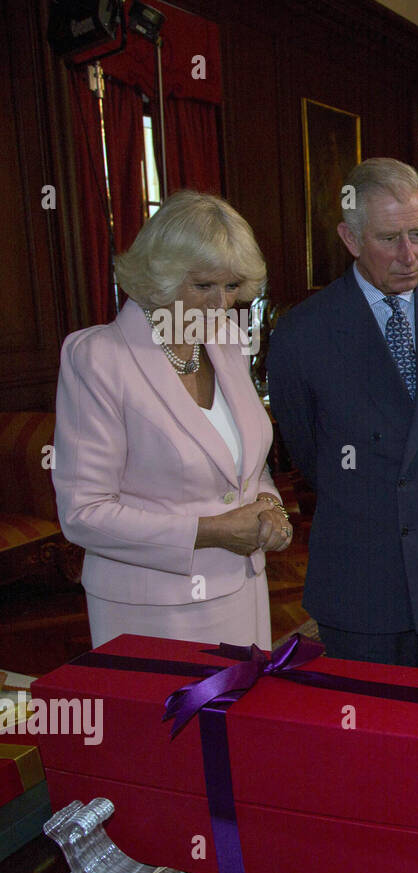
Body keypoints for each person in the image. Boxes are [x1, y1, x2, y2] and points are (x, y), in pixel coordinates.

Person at [269, 157, 418, 673]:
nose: (409, 255)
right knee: (370, 735)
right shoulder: (304, 332)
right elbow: (307, 449)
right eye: (390, 238)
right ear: (350, 238)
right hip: (360, 572)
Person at [53, 191, 291, 649]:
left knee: (237, 719)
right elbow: (84, 513)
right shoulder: (99, 358)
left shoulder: (226, 341)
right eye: (203, 286)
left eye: (232, 286)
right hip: (154, 610)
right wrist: (213, 531)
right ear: (157, 279)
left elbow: (245, 462)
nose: (221, 304)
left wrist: (271, 507)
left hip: (244, 590)